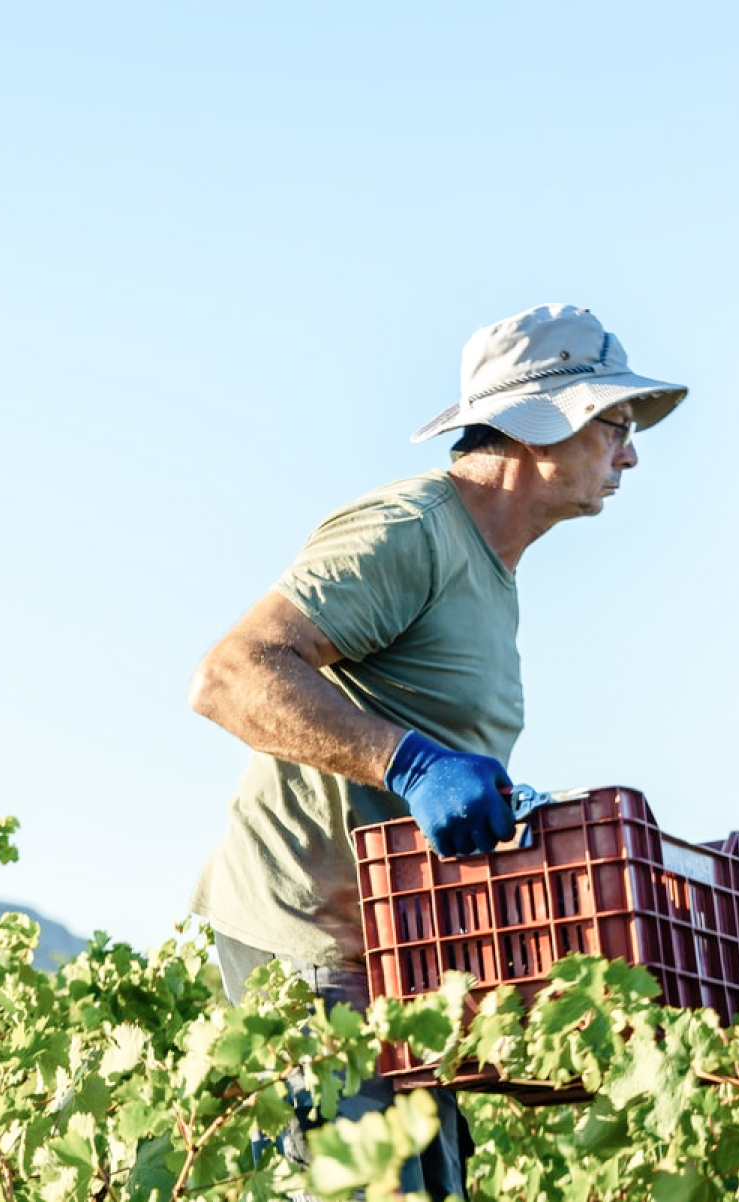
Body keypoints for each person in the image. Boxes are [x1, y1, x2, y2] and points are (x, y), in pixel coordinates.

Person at [187, 301, 687, 1198]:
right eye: (615, 424)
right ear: (546, 423)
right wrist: (408, 764)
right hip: (308, 943)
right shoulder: (409, 531)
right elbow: (230, 674)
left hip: (392, 954)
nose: (632, 452)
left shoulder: (491, 572)